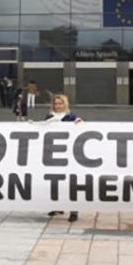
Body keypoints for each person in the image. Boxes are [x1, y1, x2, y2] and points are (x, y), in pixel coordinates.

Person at [45, 94, 82, 222]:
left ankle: (74, 210)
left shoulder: (71, 117)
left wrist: (79, 122)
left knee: (71, 183)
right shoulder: (49, 117)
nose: (58, 106)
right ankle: (57, 206)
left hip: (69, 154)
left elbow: (81, 126)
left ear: (65, 104)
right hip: (54, 154)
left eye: (60, 103)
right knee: (55, 181)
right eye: (56, 103)